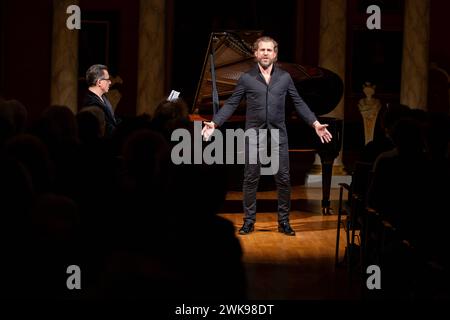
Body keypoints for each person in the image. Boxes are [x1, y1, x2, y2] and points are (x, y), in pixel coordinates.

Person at [202, 36, 332, 236]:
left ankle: (284, 222)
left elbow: (299, 103)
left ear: (275, 54)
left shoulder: (285, 78)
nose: (265, 53)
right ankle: (249, 221)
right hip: (254, 135)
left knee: (283, 179)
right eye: (261, 50)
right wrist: (215, 122)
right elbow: (231, 104)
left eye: (269, 50)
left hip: (278, 135)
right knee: (250, 178)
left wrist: (315, 123)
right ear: (255, 54)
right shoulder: (246, 78)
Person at [82, 64, 120, 137]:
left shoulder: (103, 97)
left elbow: (113, 119)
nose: (110, 82)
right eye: (108, 80)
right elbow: (104, 129)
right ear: (99, 82)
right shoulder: (91, 102)